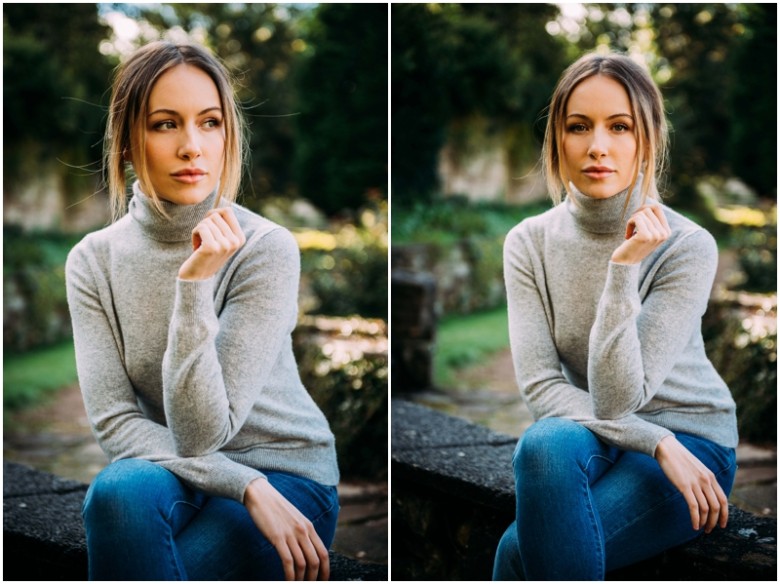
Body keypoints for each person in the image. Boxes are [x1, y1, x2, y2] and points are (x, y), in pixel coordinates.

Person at [66, 40, 340, 581]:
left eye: (209, 123)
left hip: (286, 475)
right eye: (166, 124)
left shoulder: (265, 247)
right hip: (202, 474)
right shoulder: (92, 261)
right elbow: (117, 423)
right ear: (126, 141)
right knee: (117, 492)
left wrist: (194, 288)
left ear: (226, 135)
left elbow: (206, 431)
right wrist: (244, 485)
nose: (192, 146)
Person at [492, 52, 738, 580]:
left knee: (516, 555)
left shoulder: (687, 246)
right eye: (578, 126)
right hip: (624, 436)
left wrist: (624, 268)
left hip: (693, 442)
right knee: (544, 445)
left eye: (619, 127)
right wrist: (654, 441)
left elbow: (624, 395)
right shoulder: (528, 243)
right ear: (557, 137)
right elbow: (541, 388)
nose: (597, 146)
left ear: (646, 140)